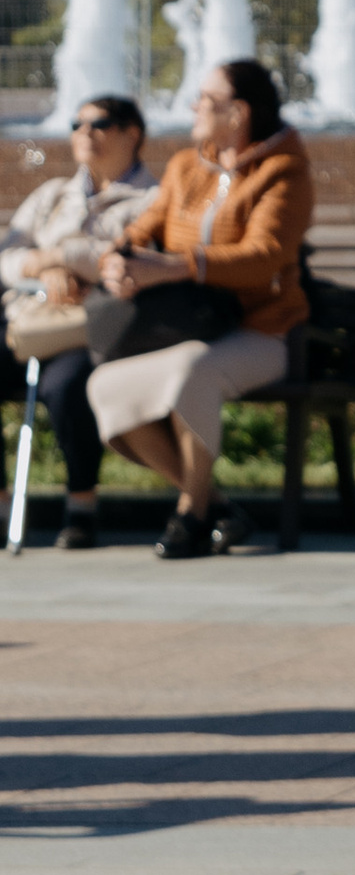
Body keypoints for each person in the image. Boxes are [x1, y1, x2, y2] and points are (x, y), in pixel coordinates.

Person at [88, 58, 312, 559]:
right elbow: (146, 226)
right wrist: (118, 260)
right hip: (190, 329)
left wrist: (174, 268)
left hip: (266, 333)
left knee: (193, 374)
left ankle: (190, 513)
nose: (193, 107)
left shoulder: (285, 172)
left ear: (238, 113)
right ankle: (220, 510)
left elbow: (264, 257)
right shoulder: (187, 166)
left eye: (205, 101)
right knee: (105, 385)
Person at [1, 95, 156, 548]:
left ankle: (81, 506)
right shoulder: (51, 194)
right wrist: (41, 269)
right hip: (30, 319)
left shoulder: (153, 199)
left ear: (133, 133)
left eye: (99, 123)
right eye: (77, 124)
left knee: (66, 385)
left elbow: (127, 257)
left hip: (92, 327)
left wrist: (62, 257)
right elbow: (6, 258)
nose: (84, 133)